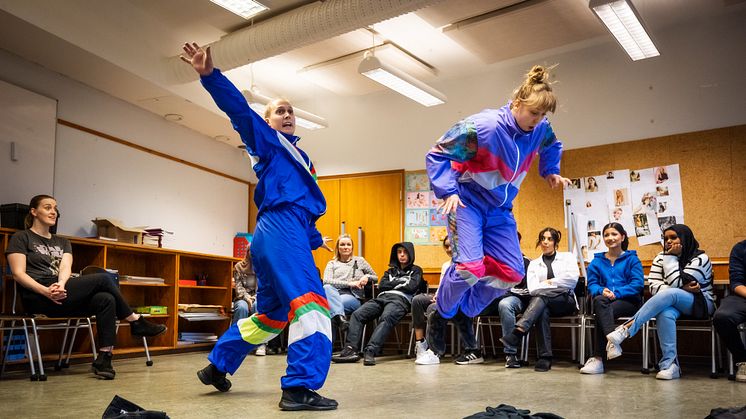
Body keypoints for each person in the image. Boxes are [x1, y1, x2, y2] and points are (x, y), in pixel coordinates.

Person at [181, 43, 337, 410]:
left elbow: (304, 210)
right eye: (279, 110)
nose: (287, 114)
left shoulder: (302, 159)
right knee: (312, 306)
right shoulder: (269, 143)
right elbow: (238, 111)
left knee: (271, 316)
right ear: (267, 122)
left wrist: (314, 238)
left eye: (291, 111)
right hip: (279, 229)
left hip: (281, 233)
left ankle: (218, 365)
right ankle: (299, 387)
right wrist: (210, 76)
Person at [425, 65, 570, 323]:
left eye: (543, 114)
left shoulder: (540, 129)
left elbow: (552, 145)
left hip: (500, 209)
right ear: (517, 103)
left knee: (512, 273)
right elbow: (438, 153)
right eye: (533, 112)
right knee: (469, 268)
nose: (537, 119)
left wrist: (550, 170)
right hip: (467, 201)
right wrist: (447, 191)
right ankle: (441, 310)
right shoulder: (484, 128)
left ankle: (466, 312)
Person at [5, 195, 167, 380]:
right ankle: (135, 321)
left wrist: (61, 284)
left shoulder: (62, 242)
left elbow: (65, 267)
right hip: (38, 296)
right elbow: (19, 274)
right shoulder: (21, 237)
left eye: (55, 208)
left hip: (61, 292)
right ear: (34, 212)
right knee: (103, 279)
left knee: (106, 299)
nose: (53, 212)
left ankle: (104, 358)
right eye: (47, 207)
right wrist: (46, 291)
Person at [605, 224, 715, 380]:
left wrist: (670, 258)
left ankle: (625, 329)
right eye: (666, 238)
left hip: (701, 303)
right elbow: (654, 287)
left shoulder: (701, 258)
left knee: (671, 294)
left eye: (673, 238)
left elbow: (676, 283)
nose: (668, 241)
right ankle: (669, 364)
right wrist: (677, 286)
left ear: (684, 238)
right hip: (671, 303)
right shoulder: (659, 257)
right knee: (665, 312)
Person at [500, 228, 579, 372]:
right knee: (542, 307)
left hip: (565, 301)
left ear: (555, 242)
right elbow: (533, 289)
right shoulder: (534, 264)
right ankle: (545, 357)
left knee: (541, 299)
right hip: (543, 303)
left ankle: (519, 331)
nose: (545, 242)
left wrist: (548, 283)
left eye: (549, 239)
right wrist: (556, 284)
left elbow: (571, 281)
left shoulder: (568, 257)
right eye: (543, 238)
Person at [332, 242, 424, 366]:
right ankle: (350, 349)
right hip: (381, 298)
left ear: (410, 254)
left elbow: (412, 287)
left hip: (400, 300)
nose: (402, 255)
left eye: (405, 252)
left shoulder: (416, 270)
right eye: (399, 252)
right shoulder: (389, 271)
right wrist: (401, 283)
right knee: (358, 314)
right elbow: (382, 285)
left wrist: (393, 284)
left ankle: (370, 351)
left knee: (386, 317)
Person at [580, 223, 644, 374]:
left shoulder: (632, 260)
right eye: (607, 235)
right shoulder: (597, 262)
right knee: (599, 301)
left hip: (629, 301)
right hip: (605, 301)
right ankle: (613, 341)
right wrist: (602, 290)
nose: (610, 238)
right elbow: (593, 285)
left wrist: (617, 293)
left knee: (601, 312)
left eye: (614, 234)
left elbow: (637, 284)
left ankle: (597, 359)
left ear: (622, 237)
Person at [414, 237, 483, 366]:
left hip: (466, 300)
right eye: (446, 246)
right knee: (418, 300)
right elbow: (443, 286)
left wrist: (443, 298)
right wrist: (438, 295)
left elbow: (469, 288)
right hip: (447, 298)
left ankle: (436, 351)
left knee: (435, 309)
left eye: (452, 245)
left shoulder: (469, 263)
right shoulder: (446, 265)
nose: (449, 249)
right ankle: (421, 344)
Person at [476, 231, 532, 368]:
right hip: (496, 298)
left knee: (505, 304)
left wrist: (506, 290)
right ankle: (472, 351)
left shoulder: (525, 262)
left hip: (517, 300)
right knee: (469, 304)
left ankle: (511, 354)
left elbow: (528, 291)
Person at [322, 234, 377, 333]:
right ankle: (340, 319)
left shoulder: (360, 261)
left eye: (348, 244)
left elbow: (375, 277)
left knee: (329, 309)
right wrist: (349, 283)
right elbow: (326, 280)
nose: (345, 247)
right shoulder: (332, 264)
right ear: (338, 248)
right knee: (326, 287)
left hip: (352, 296)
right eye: (342, 245)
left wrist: (367, 276)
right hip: (334, 295)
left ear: (352, 247)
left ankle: (328, 347)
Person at [232, 252, 281, 356]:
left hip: (258, 297)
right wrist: (247, 298)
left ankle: (260, 344)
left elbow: (263, 288)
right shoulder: (238, 267)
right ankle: (236, 341)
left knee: (258, 306)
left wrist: (253, 298)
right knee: (241, 307)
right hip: (242, 297)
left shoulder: (263, 267)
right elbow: (238, 288)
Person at [712, 240, 746, 382]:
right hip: (742, 295)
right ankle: (743, 361)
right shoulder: (740, 249)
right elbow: (736, 283)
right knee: (722, 317)